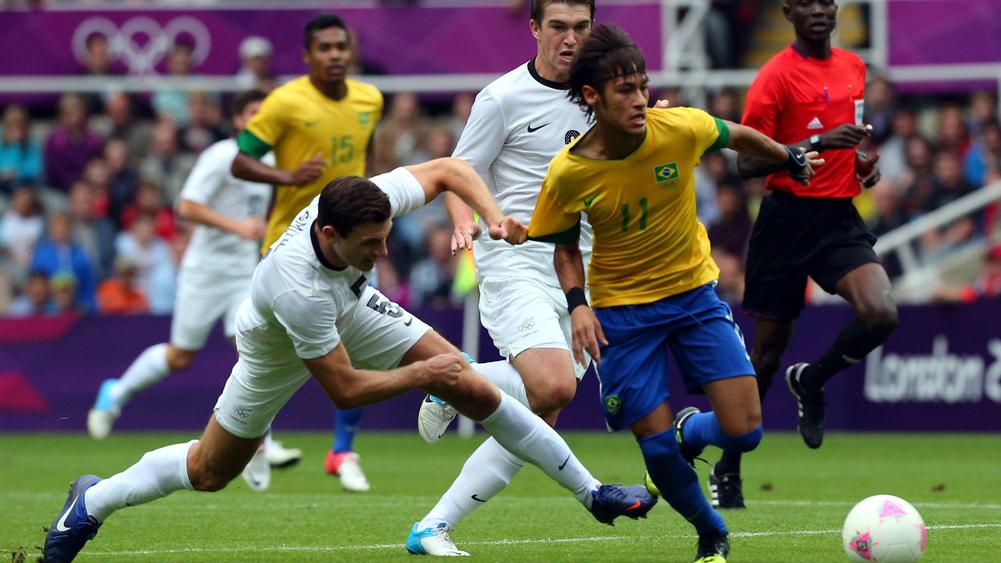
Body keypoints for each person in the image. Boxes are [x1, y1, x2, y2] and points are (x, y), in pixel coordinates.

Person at [41, 157, 656, 562]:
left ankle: (592, 493)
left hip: (354, 306)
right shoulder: (297, 285)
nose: (383, 251)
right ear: (329, 236)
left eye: (386, 237)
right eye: (371, 245)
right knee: (209, 471)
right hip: (277, 344)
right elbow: (344, 390)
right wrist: (423, 376)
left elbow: (449, 169)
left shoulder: (362, 204)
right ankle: (91, 503)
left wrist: (491, 217)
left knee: (470, 384)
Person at [523, 24, 820, 562]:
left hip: (694, 299)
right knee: (657, 453)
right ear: (591, 96)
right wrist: (578, 305)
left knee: (745, 431)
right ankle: (711, 533)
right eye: (624, 90)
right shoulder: (568, 173)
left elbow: (734, 134)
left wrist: (789, 157)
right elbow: (564, 247)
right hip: (622, 315)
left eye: (642, 86)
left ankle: (692, 429)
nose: (639, 100)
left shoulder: (677, 128)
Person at [410, 0, 609, 556]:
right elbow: (456, 175)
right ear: (534, 29)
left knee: (542, 412)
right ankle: (457, 378)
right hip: (514, 257)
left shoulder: (604, 94)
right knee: (553, 386)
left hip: (581, 267)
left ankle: (434, 524)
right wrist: (464, 228)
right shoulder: (501, 98)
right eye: (558, 27)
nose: (570, 39)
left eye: (580, 27)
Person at [717, 0, 896, 510]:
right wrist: (814, 142)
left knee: (882, 313)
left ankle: (812, 379)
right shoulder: (775, 77)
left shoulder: (854, 66)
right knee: (768, 355)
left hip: (838, 216)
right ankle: (729, 465)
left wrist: (862, 165)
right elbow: (747, 162)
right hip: (785, 222)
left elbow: (854, 142)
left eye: (826, 1)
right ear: (789, 11)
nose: (819, 10)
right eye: (807, 3)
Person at [85, 91, 278, 490]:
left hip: (243, 269)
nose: (262, 119)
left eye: (266, 113)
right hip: (204, 270)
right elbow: (185, 206)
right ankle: (116, 392)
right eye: (253, 112)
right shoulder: (221, 156)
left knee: (253, 348)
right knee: (180, 356)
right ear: (238, 120)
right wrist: (237, 226)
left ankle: (259, 446)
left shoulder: (272, 159)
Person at [231, 14, 383, 490]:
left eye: (341, 46)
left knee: (354, 356)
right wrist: (288, 177)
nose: (335, 54)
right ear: (308, 56)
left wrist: (376, 225)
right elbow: (241, 159)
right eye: (325, 47)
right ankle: (256, 437)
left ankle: (343, 452)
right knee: (273, 355)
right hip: (290, 250)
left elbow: (368, 161)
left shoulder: (370, 99)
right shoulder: (284, 102)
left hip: (352, 248)